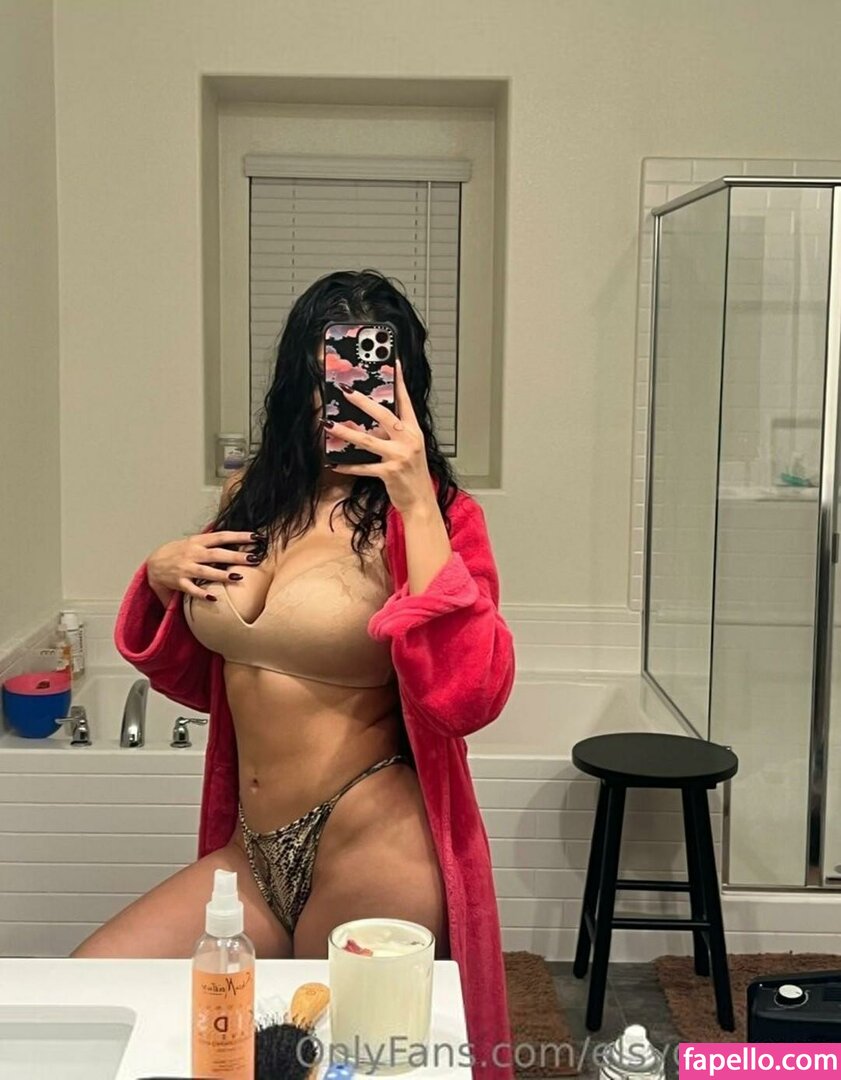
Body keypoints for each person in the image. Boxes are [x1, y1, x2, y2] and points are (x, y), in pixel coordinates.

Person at [74, 269, 517, 1079]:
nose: (337, 402)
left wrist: (415, 502)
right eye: (322, 379)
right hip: (250, 853)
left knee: (341, 1065)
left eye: (362, 379)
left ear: (402, 387)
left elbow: (468, 697)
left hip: (372, 846)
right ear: (294, 383)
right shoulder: (254, 496)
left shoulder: (440, 517)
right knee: (91, 1000)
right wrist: (162, 573)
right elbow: (208, 678)